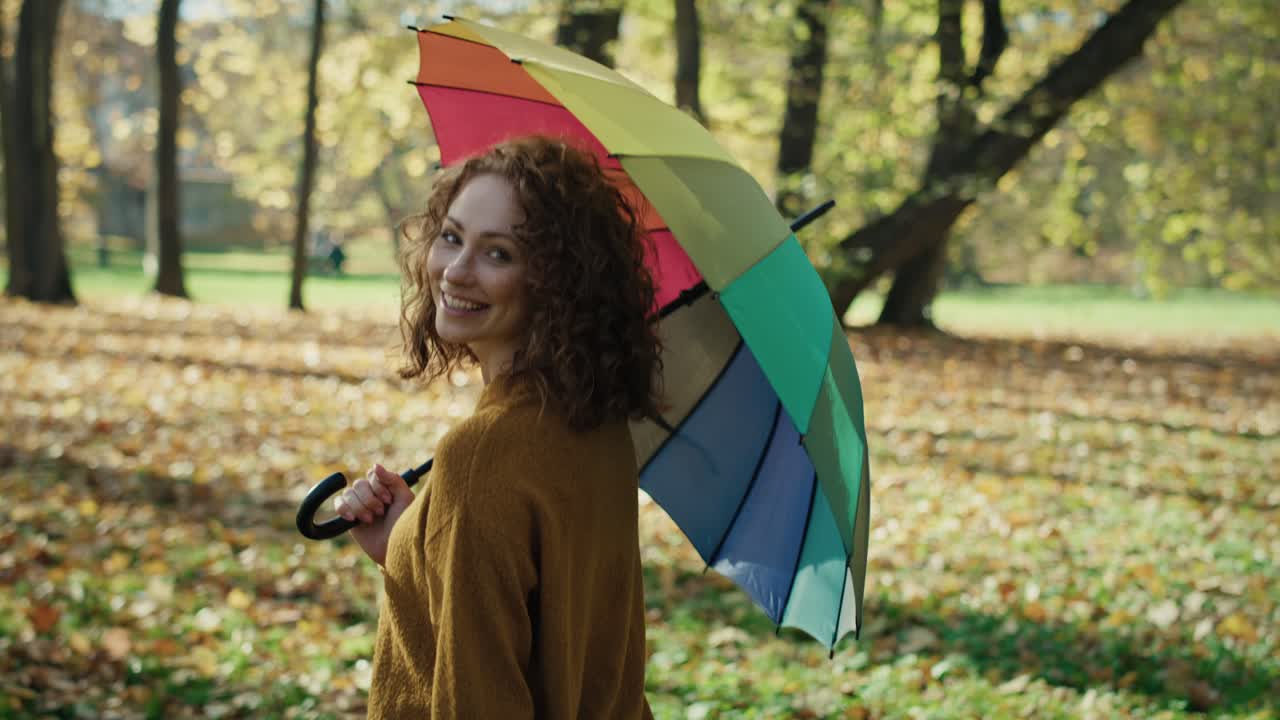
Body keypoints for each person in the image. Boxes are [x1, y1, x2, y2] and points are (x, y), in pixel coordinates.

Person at [335, 136, 661, 719]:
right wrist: (409, 546)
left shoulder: (485, 452)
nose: (455, 272)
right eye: (452, 237)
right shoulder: (597, 427)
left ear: (556, 283)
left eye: (499, 254)